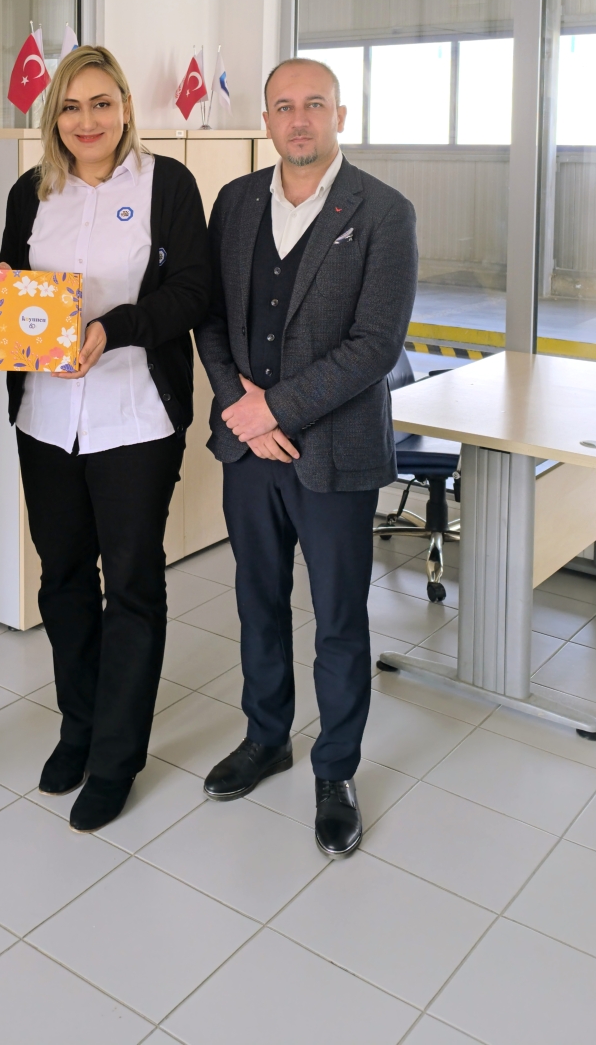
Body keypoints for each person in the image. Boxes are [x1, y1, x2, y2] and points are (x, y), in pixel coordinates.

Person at [0, 45, 209, 832]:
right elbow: (15, 278)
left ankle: (116, 757)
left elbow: (193, 292)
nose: (87, 120)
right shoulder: (32, 191)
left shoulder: (167, 185)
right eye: (70, 107)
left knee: (132, 583)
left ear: (126, 108)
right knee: (63, 579)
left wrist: (116, 328)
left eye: (102, 103)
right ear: (54, 117)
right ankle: (79, 725)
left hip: (135, 417)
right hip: (46, 419)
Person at [195, 58, 417, 856]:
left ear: (340, 115)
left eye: (314, 104)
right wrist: (241, 409)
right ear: (266, 120)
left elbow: (375, 345)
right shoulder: (234, 202)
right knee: (258, 602)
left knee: (338, 620)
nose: (299, 119)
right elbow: (209, 318)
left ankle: (336, 770)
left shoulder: (383, 212)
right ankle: (265, 737)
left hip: (334, 455)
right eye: (284, 106)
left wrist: (274, 408)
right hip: (248, 451)